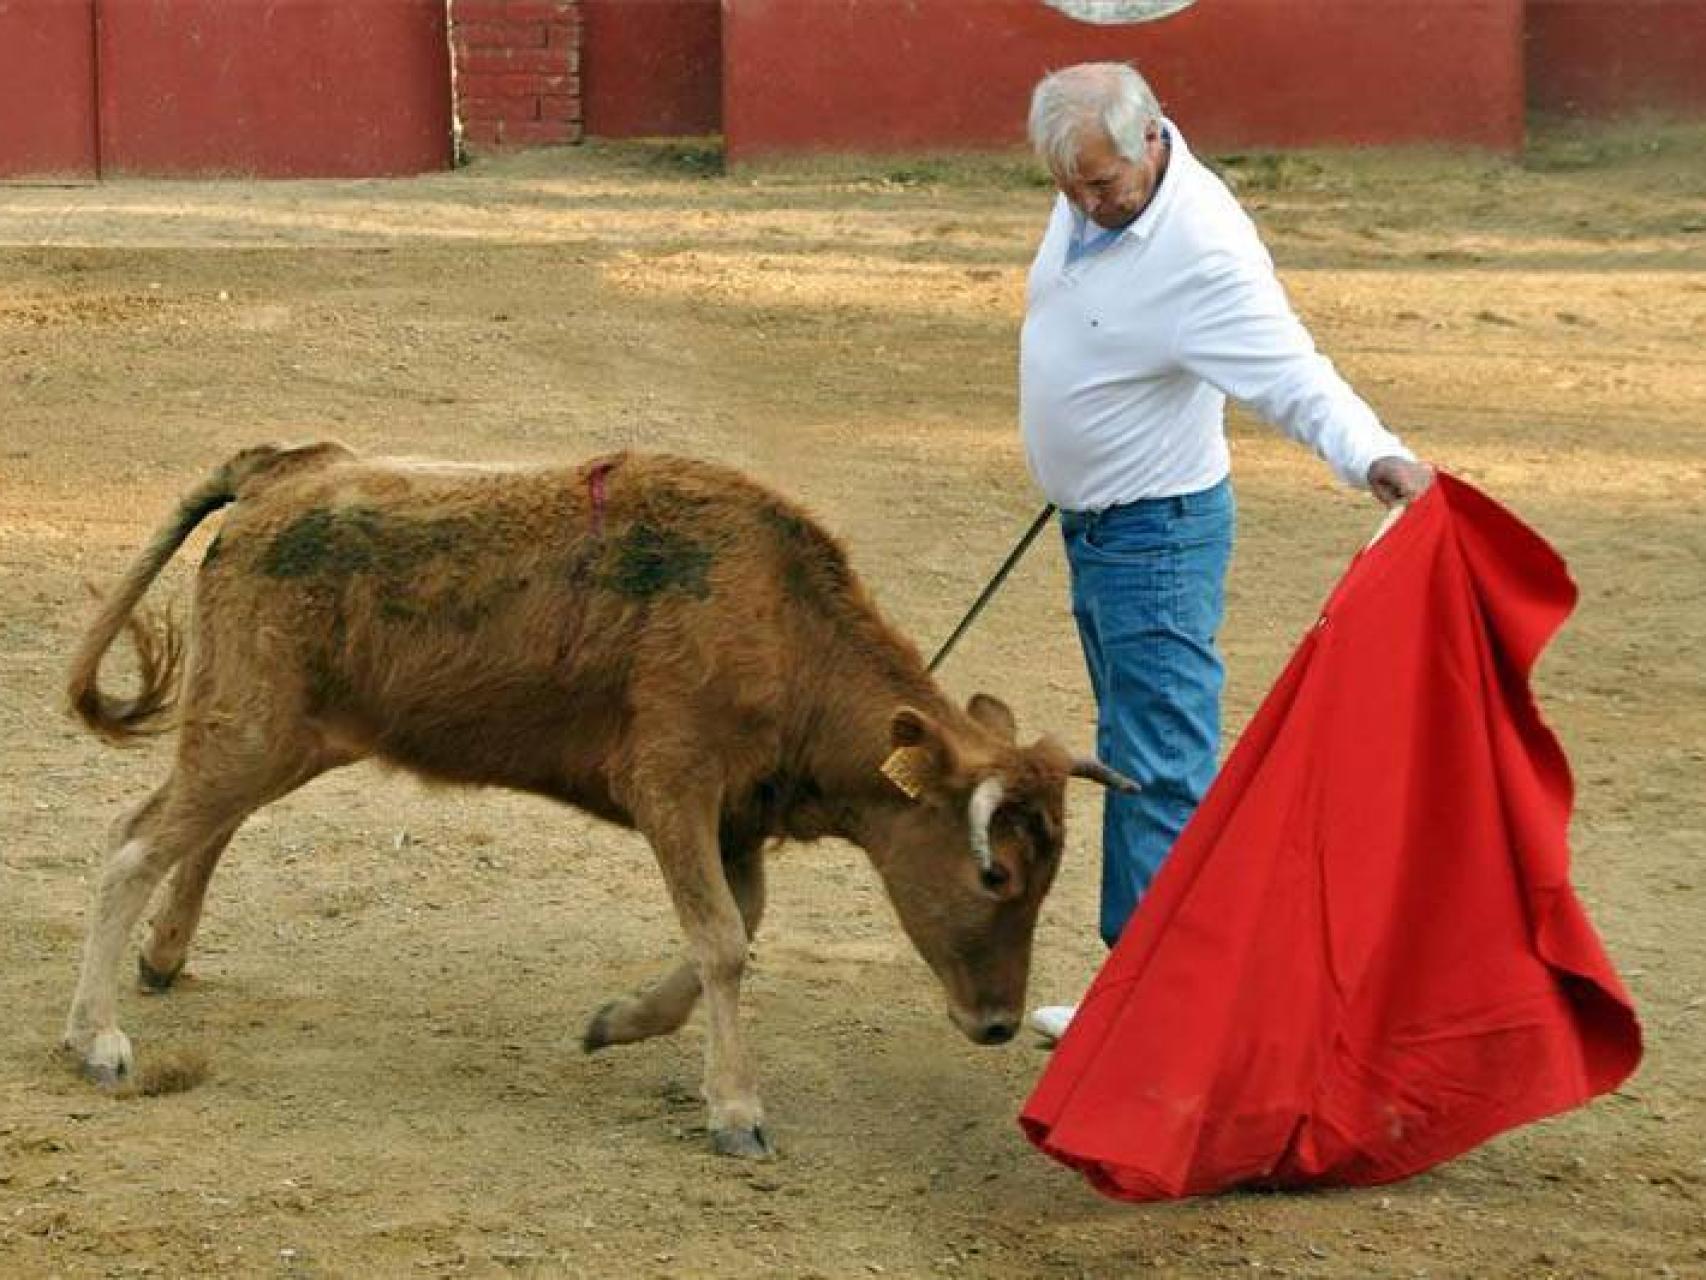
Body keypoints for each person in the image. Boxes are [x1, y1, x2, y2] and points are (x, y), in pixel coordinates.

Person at [1019, 63, 1434, 1042]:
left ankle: (1164, 1017)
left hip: (1151, 538)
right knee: (1139, 753)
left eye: (1102, 184)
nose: (1085, 205)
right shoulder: (1099, 192)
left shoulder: (1201, 250)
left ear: (1153, 136)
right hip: (1101, 530)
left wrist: (1370, 452)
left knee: (1155, 768)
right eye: (1067, 186)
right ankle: (1150, 996)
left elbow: (1291, 371)